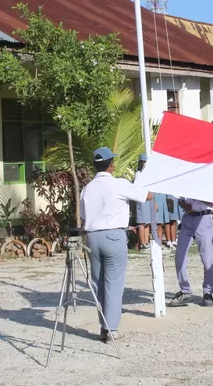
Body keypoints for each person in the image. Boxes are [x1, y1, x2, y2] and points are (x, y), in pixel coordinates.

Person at [80, 147, 152, 343]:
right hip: (114, 235)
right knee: (114, 282)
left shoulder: (87, 188)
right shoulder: (119, 184)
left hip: (93, 237)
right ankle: (111, 328)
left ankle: (103, 326)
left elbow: (83, 216)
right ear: (111, 164)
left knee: (98, 284)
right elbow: (147, 196)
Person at [169, 195, 213, 308]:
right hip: (188, 219)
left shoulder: (206, 183)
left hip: (203, 218)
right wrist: (184, 205)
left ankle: (208, 293)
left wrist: (197, 195)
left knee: (207, 259)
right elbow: (180, 200)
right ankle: (185, 290)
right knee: (180, 255)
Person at [134, 153, 158, 250]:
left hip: (149, 198)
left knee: (147, 221)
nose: (145, 163)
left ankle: (146, 241)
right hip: (142, 198)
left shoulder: (149, 173)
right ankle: (142, 243)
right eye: (143, 161)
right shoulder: (138, 174)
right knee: (142, 222)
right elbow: (136, 187)